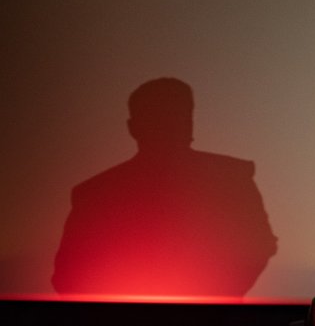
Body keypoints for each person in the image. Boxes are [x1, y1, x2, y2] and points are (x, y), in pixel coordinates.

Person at [52, 77, 277, 297]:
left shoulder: (95, 192)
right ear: (135, 127)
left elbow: (258, 245)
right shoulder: (231, 176)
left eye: (178, 116)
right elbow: (67, 275)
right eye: (162, 118)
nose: (173, 125)